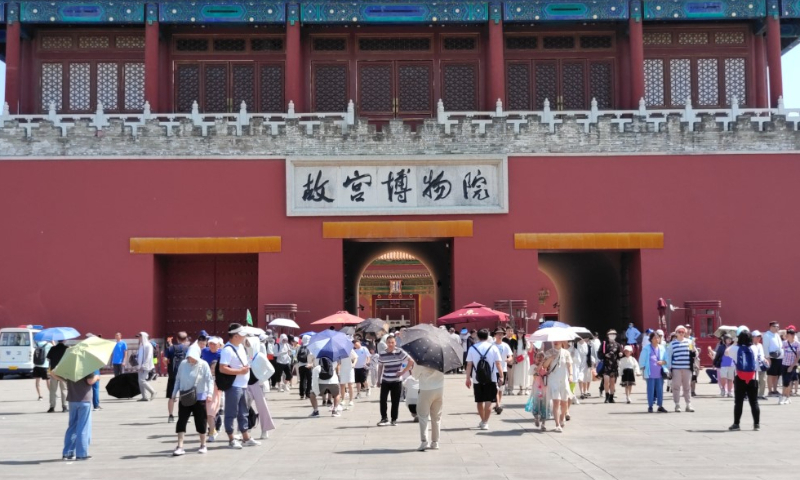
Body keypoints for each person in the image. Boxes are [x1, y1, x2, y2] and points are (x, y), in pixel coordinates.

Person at [219, 323, 260, 449]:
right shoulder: (227, 349)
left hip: (243, 385)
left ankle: (245, 437)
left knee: (244, 412)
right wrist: (239, 372)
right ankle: (231, 439)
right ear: (235, 336)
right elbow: (222, 368)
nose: (244, 337)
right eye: (242, 335)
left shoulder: (240, 347)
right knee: (231, 412)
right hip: (234, 386)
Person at [171, 344, 214, 455]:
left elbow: (209, 380)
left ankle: (203, 444)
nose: (191, 359)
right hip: (185, 396)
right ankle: (180, 446)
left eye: (193, 357)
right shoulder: (183, 364)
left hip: (199, 397)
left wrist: (209, 394)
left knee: (201, 420)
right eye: (189, 356)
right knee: (182, 420)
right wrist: (174, 393)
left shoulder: (203, 365)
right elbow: (178, 379)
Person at [56, 370, 99, 461]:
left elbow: (54, 373)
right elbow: (90, 381)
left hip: (72, 399)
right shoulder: (87, 366)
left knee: (72, 426)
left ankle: (68, 452)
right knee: (83, 427)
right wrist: (97, 377)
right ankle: (81, 453)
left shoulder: (70, 366)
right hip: (84, 399)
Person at [465, 329, 503, 431]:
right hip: (491, 378)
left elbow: (469, 364)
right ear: (488, 336)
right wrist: (501, 376)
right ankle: (486, 422)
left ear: (478, 336)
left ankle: (482, 420)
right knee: (489, 401)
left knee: (479, 401)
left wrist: (467, 378)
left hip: (477, 379)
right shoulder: (493, 348)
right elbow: (498, 363)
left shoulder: (472, 348)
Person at [725, 328, 760, 431]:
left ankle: (736, 424)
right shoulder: (754, 348)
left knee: (739, 402)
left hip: (739, 376)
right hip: (753, 377)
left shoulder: (735, 349)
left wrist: (734, 342)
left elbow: (726, 353)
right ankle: (756, 424)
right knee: (754, 401)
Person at [243, 336, 276, 440]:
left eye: (249, 343)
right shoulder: (245, 356)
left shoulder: (260, 356)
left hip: (258, 385)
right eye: (246, 342)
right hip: (246, 384)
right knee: (244, 407)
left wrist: (262, 378)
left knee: (262, 408)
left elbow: (271, 369)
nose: (247, 344)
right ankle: (245, 428)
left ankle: (264, 430)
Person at [377, 335, 414, 426]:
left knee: (395, 401)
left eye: (392, 342)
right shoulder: (382, 353)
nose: (390, 344)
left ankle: (394, 419)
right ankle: (384, 418)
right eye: (389, 342)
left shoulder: (399, 352)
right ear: (386, 343)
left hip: (396, 381)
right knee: (383, 400)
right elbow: (380, 367)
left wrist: (403, 371)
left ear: (395, 343)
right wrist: (378, 379)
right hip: (385, 380)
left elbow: (411, 361)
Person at [542, 341, 573, 433]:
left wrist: (571, 375)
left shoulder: (566, 352)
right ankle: (557, 424)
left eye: (558, 340)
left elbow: (569, 364)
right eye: (554, 340)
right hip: (553, 379)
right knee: (556, 401)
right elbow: (544, 366)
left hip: (563, 379)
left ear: (561, 342)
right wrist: (551, 358)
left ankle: (562, 417)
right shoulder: (549, 352)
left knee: (564, 403)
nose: (556, 342)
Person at [415, 364, 445, 451]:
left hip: (425, 389)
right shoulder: (441, 360)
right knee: (436, 417)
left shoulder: (421, 361)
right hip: (439, 389)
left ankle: (424, 441)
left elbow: (415, 376)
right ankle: (435, 442)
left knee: (423, 415)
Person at [667, 325, 695, 412]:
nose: (681, 333)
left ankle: (688, 404)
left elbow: (693, 353)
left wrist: (693, 347)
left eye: (683, 332)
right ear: (676, 333)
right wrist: (669, 368)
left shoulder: (689, 342)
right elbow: (669, 356)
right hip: (676, 368)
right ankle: (677, 404)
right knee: (676, 386)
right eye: (679, 332)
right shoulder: (672, 344)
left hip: (687, 367)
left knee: (687, 387)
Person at [639, 332, 668, 413]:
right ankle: (650, 406)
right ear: (651, 339)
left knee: (660, 390)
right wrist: (642, 369)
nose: (657, 339)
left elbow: (667, 359)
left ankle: (660, 405)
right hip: (650, 373)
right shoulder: (646, 348)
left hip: (660, 373)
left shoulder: (662, 348)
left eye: (658, 337)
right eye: (655, 337)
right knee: (650, 390)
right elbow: (642, 360)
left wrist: (663, 362)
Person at [201, 337, 223, 441]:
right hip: (205, 382)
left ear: (219, 345)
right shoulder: (204, 351)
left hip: (218, 384)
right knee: (208, 410)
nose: (212, 346)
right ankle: (212, 429)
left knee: (215, 409)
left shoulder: (222, 353)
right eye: (210, 344)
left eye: (214, 344)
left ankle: (214, 428)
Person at [166, 331, 190, 423]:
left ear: (177, 338)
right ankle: (184, 416)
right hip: (185, 375)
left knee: (171, 397)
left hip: (173, 375)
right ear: (186, 339)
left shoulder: (170, 348)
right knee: (185, 396)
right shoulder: (188, 349)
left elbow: (165, 360)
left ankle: (171, 416)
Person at [528, 351, 551, 430]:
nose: (539, 358)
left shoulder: (546, 367)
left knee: (545, 405)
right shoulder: (533, 366)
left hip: (545, 388)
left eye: (541, 357)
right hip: (537, 388)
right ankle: (536, 418)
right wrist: (542, 363)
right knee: (536, 404)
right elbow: (537, 370)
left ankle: (544, 423)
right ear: (535, 358)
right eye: (538, 357)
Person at [492, 329, 513, 413]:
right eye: (498, 334)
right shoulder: (491, 345)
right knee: (495, 388)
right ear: (495, 335)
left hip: (503, 369)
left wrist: (509, 359)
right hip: (493, 369)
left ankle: (498, 403)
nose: (500, 336)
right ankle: (498, 405)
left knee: (501, 389)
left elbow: (510, 356)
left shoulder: (505, 345)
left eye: (501, 334)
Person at [600, 329, 622, 403]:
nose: (612, 335)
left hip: (614, 365)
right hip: (606, 365)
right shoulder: (604, 344)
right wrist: (604, 355)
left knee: (612, 382)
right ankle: (606, 396)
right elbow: (600, 353)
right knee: (606, 381)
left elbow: (620, 354)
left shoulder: (618, 345)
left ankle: (611, 397)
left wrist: (620, 355)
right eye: (610, 334)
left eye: (614, 334)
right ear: (608, 335)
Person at [779, 325, 800, 405]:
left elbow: (798, 356)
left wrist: (792, 366)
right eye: (787, 335)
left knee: (787, 381)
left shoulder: (797, 344)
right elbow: (781, 352)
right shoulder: (784, 343)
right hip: (784, 363)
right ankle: (786, 396)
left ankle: (785, 397)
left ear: (793, 335)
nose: (788, 336)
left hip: (792, 365)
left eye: (789, 335)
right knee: (785, 381)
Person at [46, 339, 69, 413]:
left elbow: (48, 359)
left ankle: (52, 407)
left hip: (53, 371)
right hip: (63, 371)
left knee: (53, 390)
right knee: (64, 389)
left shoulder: (53, 348)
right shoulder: (67, 348)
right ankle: (64, 406)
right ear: (65, 340)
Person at [135, 332, 156, 401]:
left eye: (140, 337)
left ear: (143, 337)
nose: (139, 338)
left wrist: (144, 365)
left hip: (145, 366)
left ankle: (153, 391)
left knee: (142, 380)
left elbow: (149, 356)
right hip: (140, 366)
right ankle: (144, 396)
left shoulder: (148, 345)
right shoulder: (141, 345)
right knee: (140, 381)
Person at [763, 321, 783, 396]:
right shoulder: (767, 335)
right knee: (771, 374)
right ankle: (770, 391)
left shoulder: (777, 335)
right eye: (775, 326)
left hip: (779, 357)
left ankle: (775, 389)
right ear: (771, 327)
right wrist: (767, 357)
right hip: (771, 357)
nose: (777, 328)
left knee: (777, 375)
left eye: (778, 326)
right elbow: (765, 347)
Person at [751, 331, 769, 400]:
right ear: (753, 337)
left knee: (763, 380)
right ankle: (753, 394)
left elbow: (762, 355)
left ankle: (761, 394)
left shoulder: (760, 345)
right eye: (757, 337)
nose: (759, 338)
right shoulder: (750, 345)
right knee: (755, 381)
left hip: (762, 365)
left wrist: (765, 359)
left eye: (759, 337)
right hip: (754, 366)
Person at [513, 329, 531, 396]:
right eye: (519, 333)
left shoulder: (526, 341)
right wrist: (514, 359)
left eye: (521, 333)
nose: (520, 334)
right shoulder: (516, 341)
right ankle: (520, 390)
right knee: (519, 374)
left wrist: (531, 343)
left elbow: (529, 350)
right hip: (518, 359)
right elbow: (515, 351)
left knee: (526, 373)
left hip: (525, 359)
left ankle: (526, 389)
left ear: (523, 334)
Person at [297, 335, 313, 400]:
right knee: (309, 380)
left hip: (301, 365)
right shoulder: (310, 346)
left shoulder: (299, 347)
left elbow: (297, 356)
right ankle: (308, 394)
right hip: (308, 365)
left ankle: (301, 394)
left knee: (302, 380)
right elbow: (312, 356)